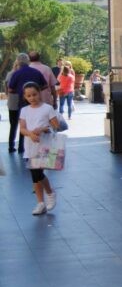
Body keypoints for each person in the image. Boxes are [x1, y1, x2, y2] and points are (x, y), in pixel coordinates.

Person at [19, 82, 59, 215]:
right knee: (34, 176)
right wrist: (30, 134)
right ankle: (41, 202)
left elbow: (56, 126)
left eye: (34, 94)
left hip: (45, 145)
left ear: (39, 93)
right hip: (30, 146)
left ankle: (49, 193)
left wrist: (42, 129)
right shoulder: (24, 110)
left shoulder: (47, 108)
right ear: (25, 97)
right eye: (29, 96)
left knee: (37, 173)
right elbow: (22, 129)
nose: (32, 98)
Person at [8, 53, 48, 155]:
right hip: (37, 103)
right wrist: (37, 92)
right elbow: (45, 85)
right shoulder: (36, 72)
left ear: (17, 61)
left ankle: (22, 147)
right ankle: (38, 146)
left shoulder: (16, 74)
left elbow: (10, 89)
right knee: (37, 123)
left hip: (23, 103)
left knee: (24, 125)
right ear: (28, 61)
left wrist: (22, 93)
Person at [5, 60, 21, 152]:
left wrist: (8, 95)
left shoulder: (10, 74)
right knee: (23, 125)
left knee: (13, 125)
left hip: (11, 102)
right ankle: (21, 146)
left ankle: (11, 146)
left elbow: (6, 87)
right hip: (20, 101)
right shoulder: (20, 74)